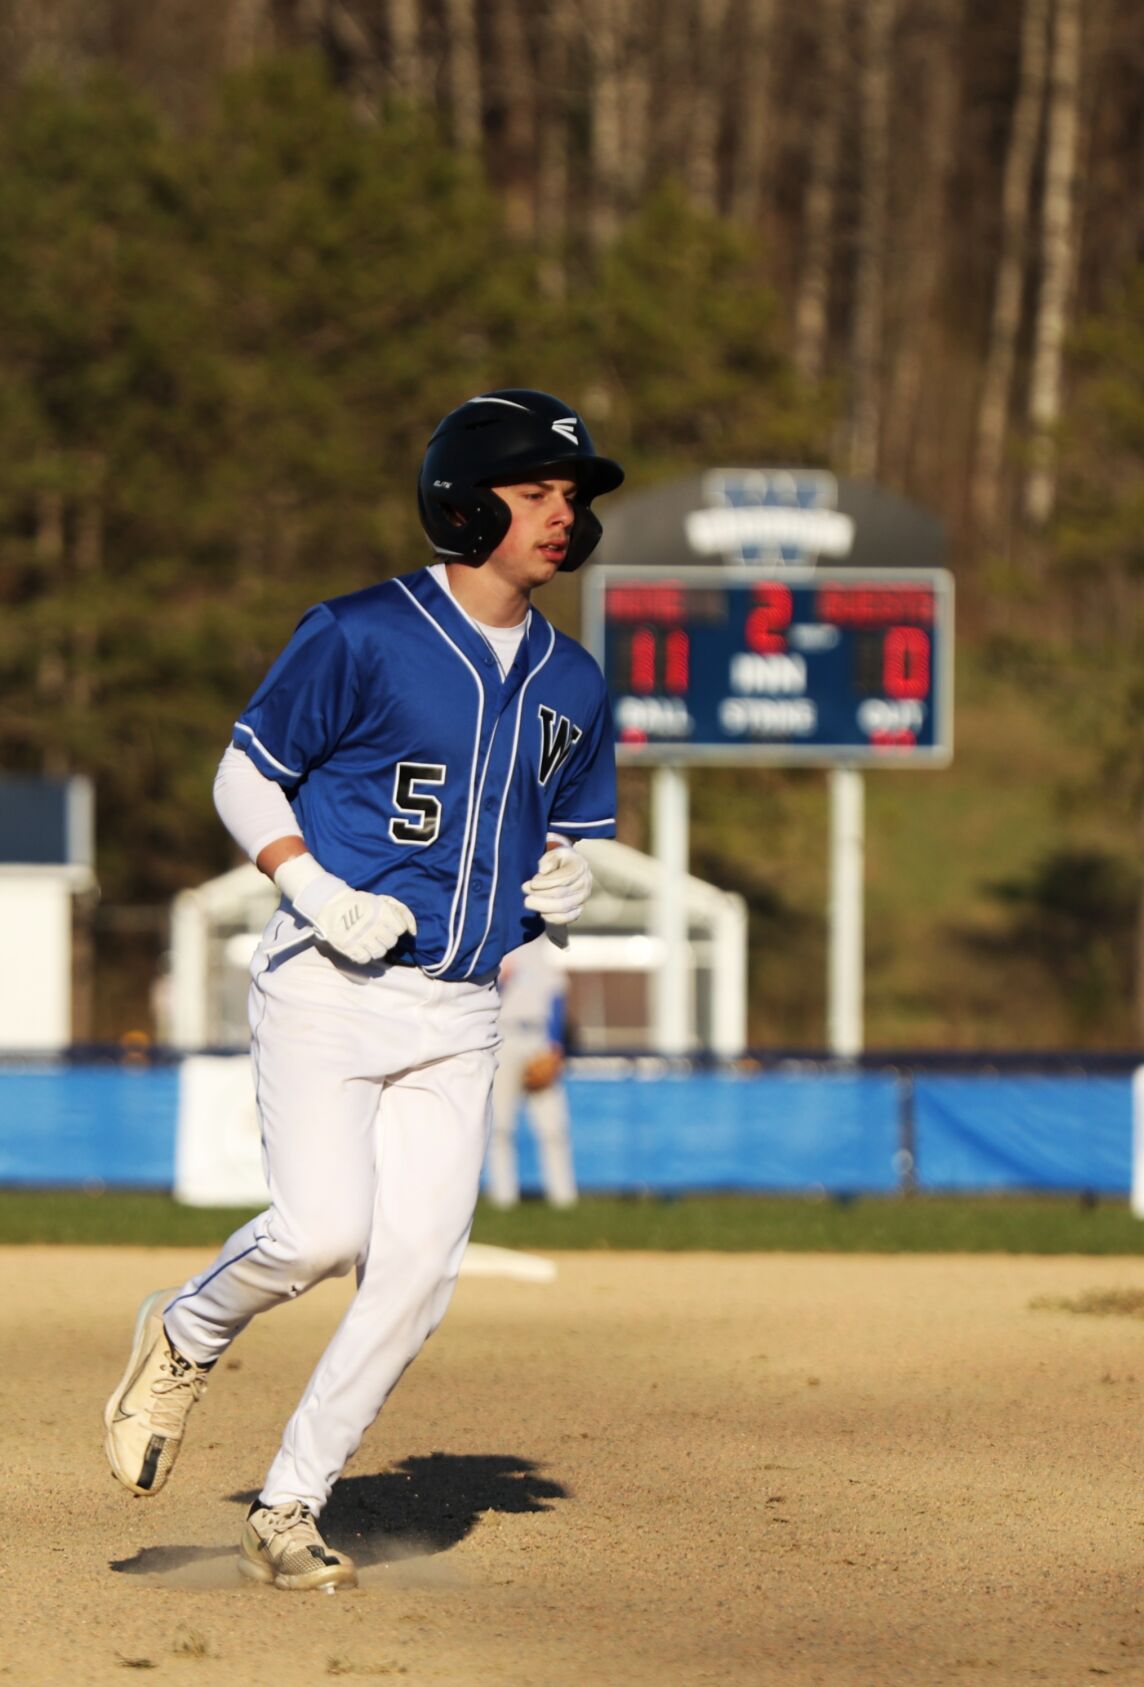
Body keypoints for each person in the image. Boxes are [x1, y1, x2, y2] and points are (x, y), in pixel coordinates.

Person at [103, 391, 622, 1592]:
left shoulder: (574, 681)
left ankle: (289, 1504)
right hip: (329, 982)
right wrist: (311, 885)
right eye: (540, 490)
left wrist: (562, 876)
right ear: (464, 498)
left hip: (461, 1008)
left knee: (419, 1269)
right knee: (322, 1232)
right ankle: (186, 1331)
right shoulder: (359, 631)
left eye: (573, 495)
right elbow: (245, 774)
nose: (565, 513)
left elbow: (557, 837)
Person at [488, 932, 577, 1209]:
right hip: (504, 1034)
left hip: (538, 1037)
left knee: (553, 1126)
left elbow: (557, 998)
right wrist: (500, 982)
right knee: (501, 1126)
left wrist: (556, 1045)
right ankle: (503, 1198)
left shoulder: (541, 946)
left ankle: (563, 1199)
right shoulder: (496, 943)